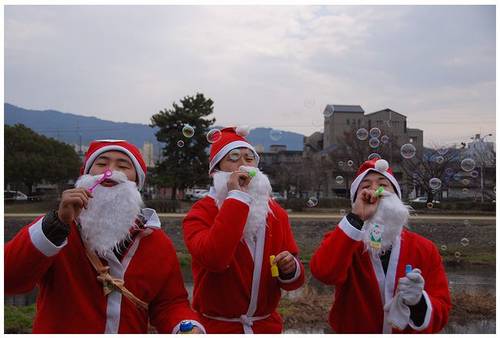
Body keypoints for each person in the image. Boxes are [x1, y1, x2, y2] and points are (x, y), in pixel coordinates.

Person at [5, 139, 204, 334]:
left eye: (123, 165)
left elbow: (169, 304)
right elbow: (9, 279)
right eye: (101, 163)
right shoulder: (57, 229)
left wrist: (186, 327)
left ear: (137, 182)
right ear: (85, 176)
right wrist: (55, 225)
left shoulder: (156, 242)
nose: (110, 171)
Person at [183, 127, 305, 333]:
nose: (243, 164)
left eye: (250, 158)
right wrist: (236, 198)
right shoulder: (201, 212)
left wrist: (290, 268)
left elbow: (293, 283)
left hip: (266, 327)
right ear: (217, 169)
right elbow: (215, 258)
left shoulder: (276, 213)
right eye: (233, 158)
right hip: (217, 328)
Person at [310, 158, 451, 333]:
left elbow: (442, 311)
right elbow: (324, 273)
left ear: (397, 197)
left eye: (383, 184)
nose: (375, 190)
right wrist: (357, 217)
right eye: (365, 186)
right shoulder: (344, 241)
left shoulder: (424, 248)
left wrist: (418, 302)